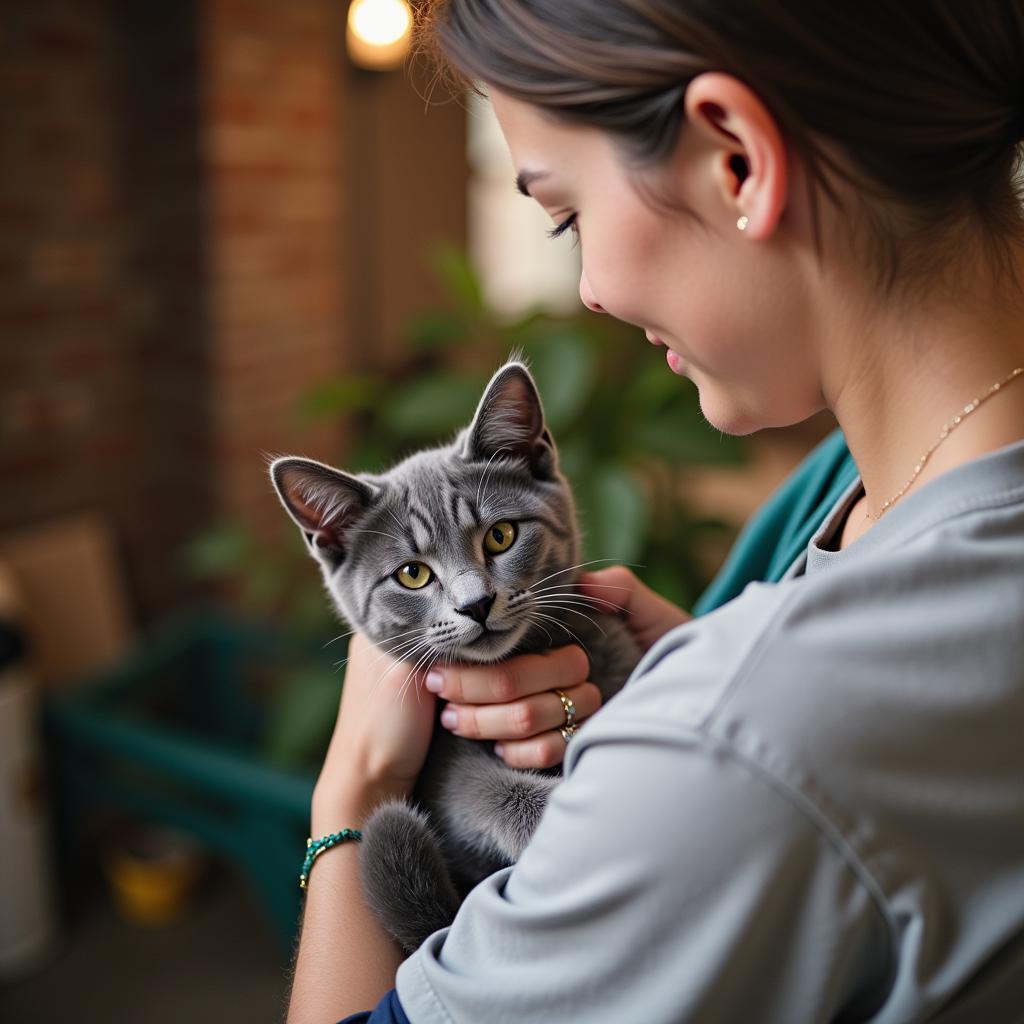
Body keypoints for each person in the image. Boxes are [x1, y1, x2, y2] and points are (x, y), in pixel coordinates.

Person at [286, 2, 1024, 1021]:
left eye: (565, 213)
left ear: (736, 159)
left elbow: (779, 756)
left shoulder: (739, 739)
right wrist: (692, 689)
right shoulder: (851, 489)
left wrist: (352, 796)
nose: (585, 289)